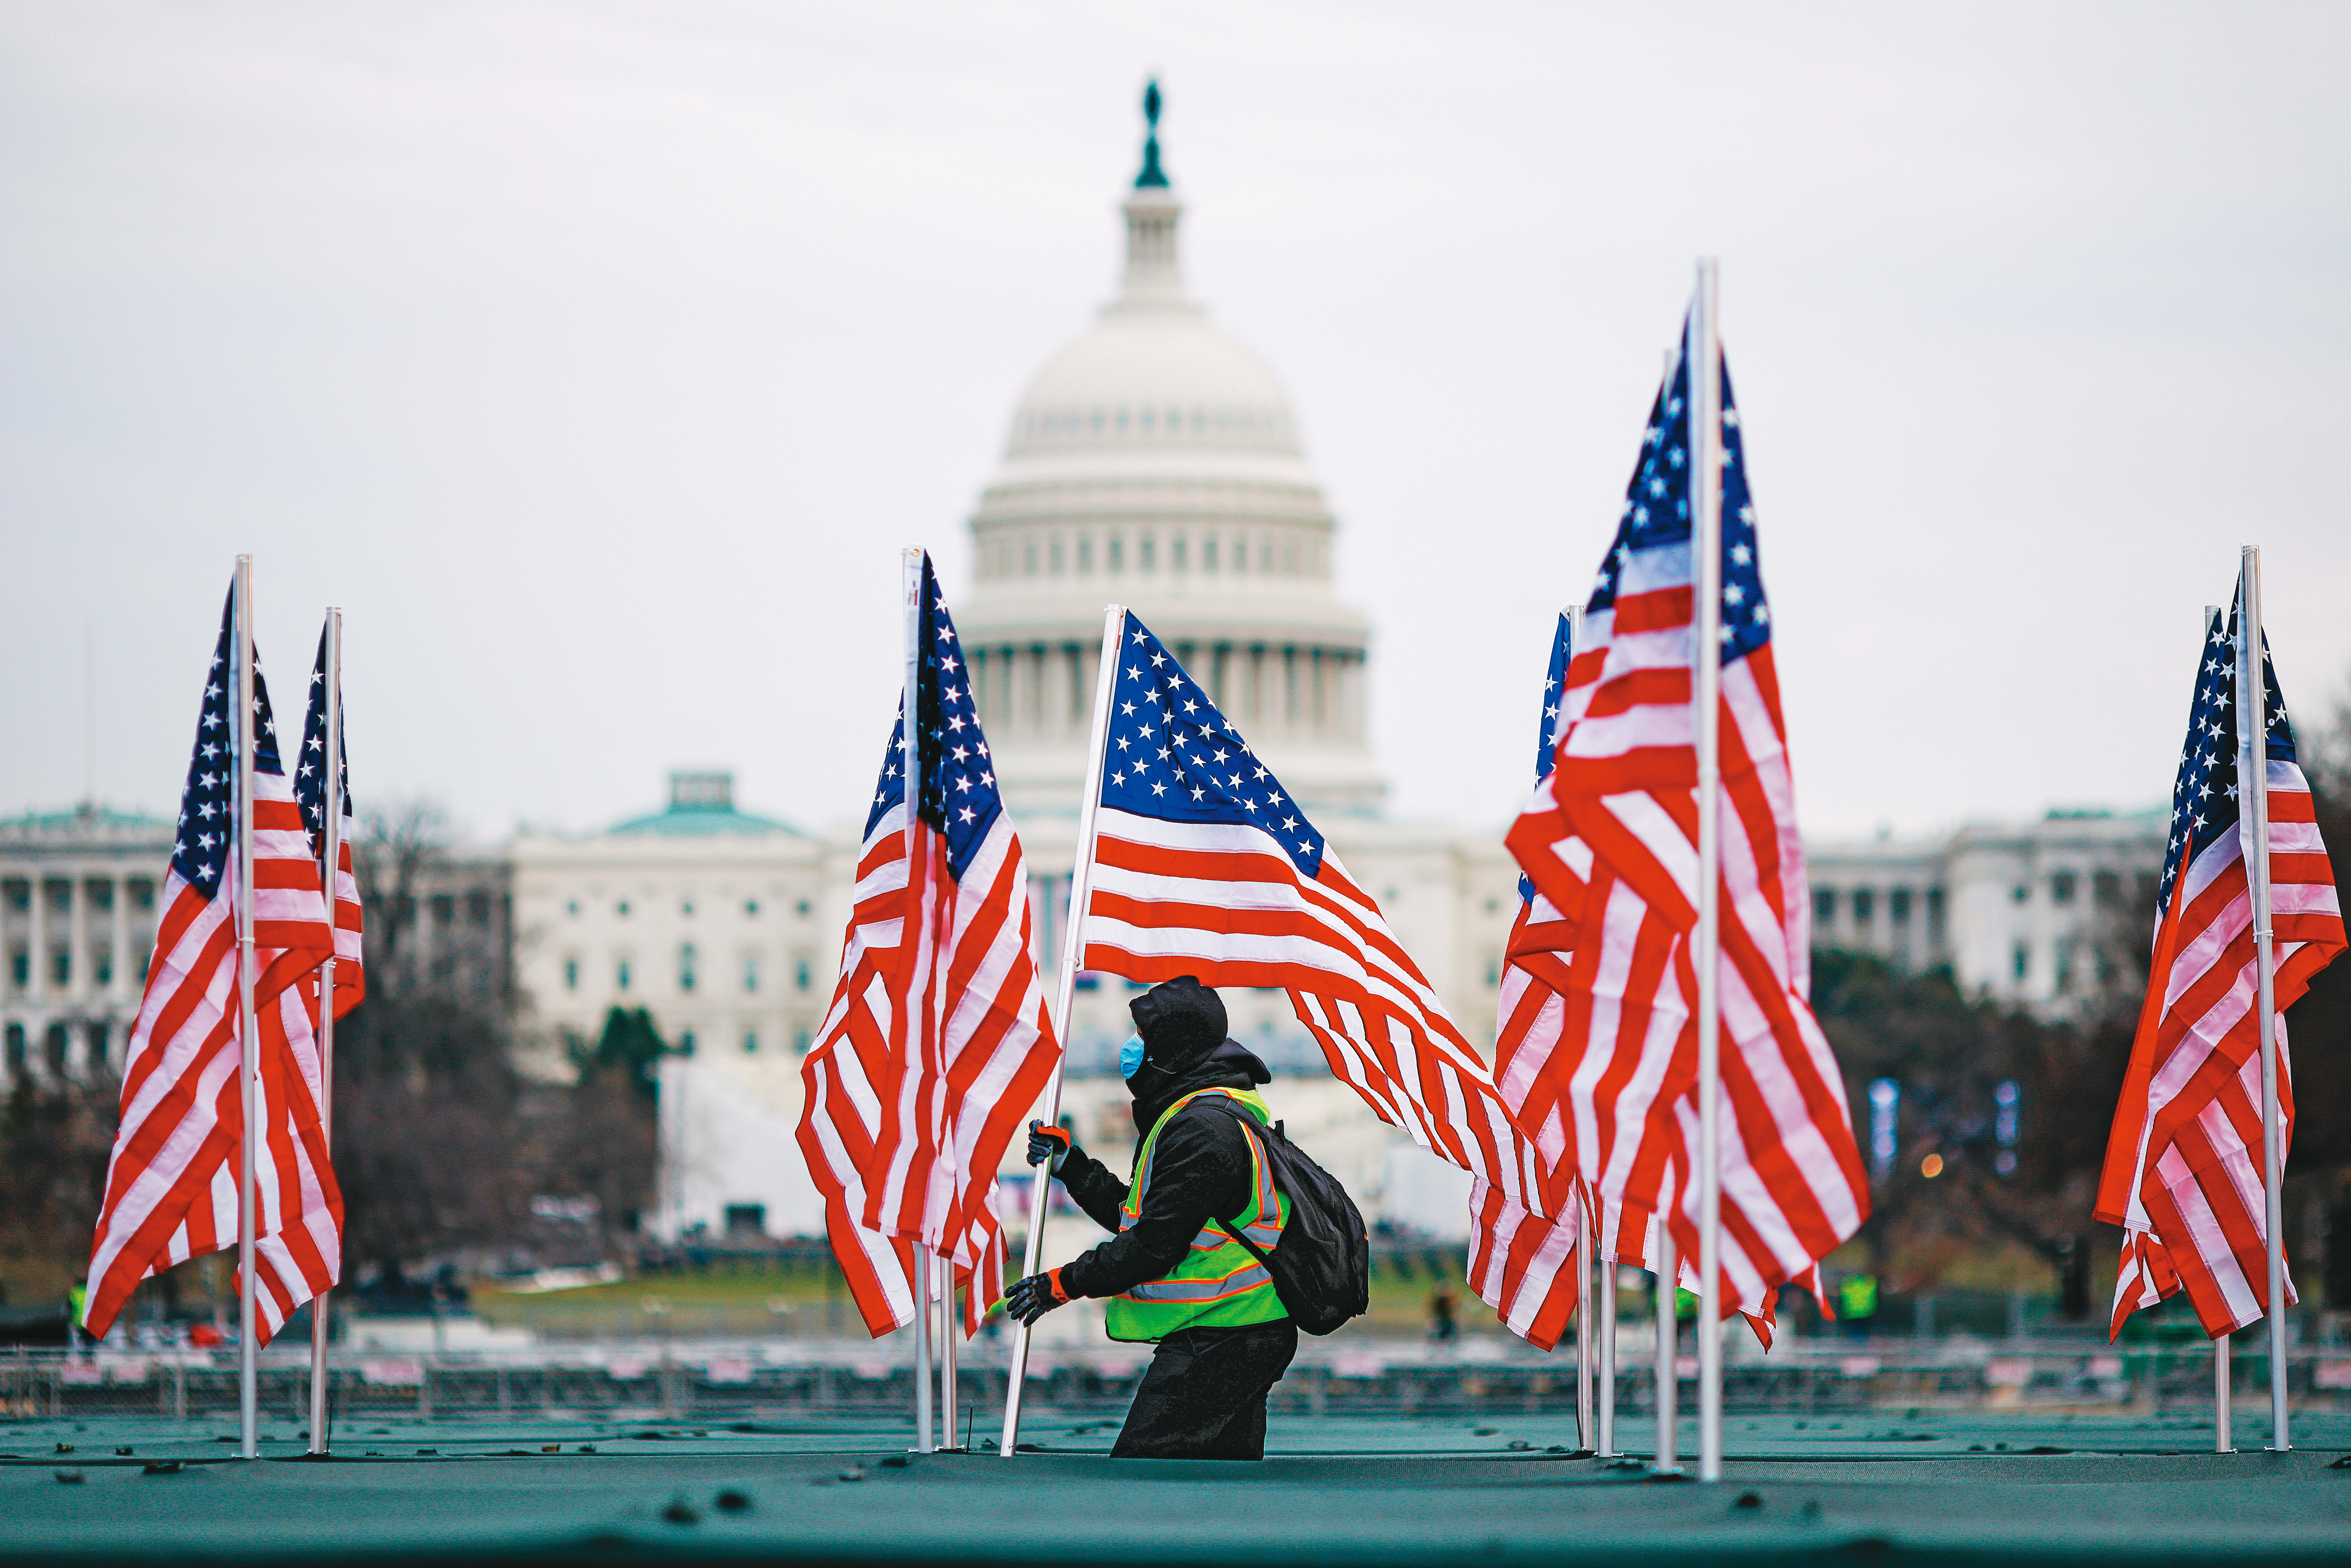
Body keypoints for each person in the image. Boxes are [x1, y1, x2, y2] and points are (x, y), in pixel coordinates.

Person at [1003, 976, 1296, 1460]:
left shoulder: (1204, 1129)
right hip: (1236, 1331)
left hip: (1224, 1335)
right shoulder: (1200, 1114)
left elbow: (1155, 1245)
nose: (1131, 1046)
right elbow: (1137, 1218)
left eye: (1143, 1035)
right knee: (1211, 1493)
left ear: (1172, 1050)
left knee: (1139, 1478)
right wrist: (1070, 1165)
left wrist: (1064, 1284)